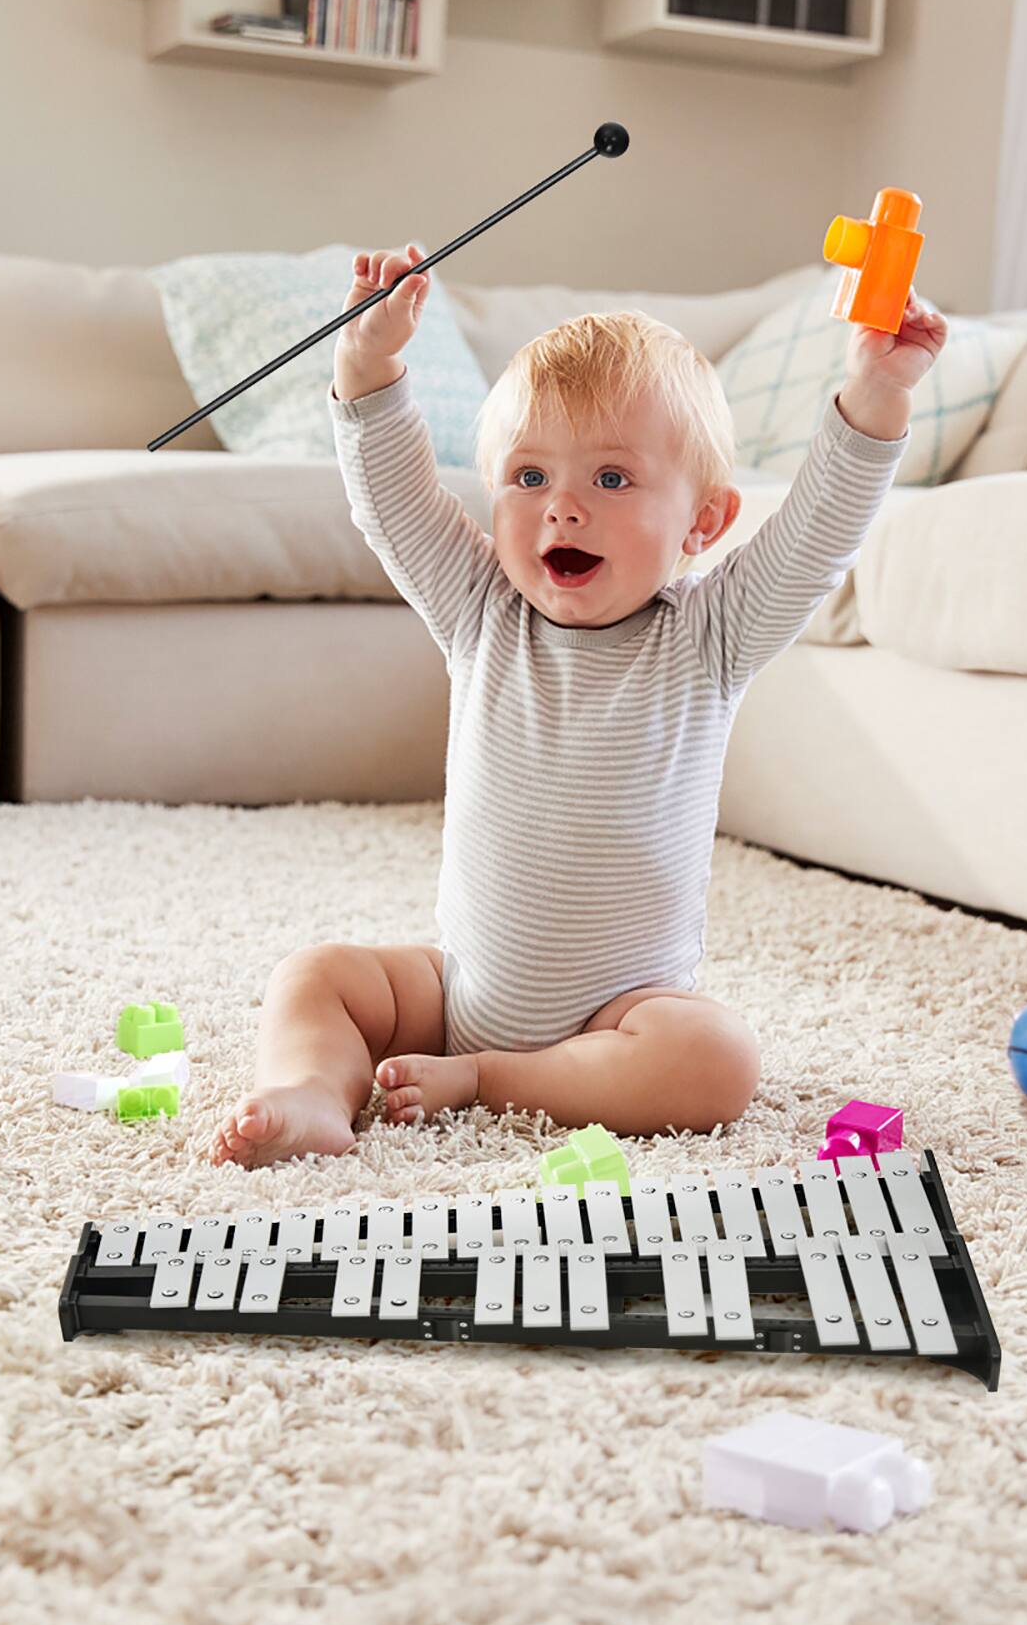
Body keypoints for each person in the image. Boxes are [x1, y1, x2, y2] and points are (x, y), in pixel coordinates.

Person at [213, 240, 945, 1168]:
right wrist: (368, 364)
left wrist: (877, 395)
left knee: (717, 1059)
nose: (562, 508)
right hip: (461, 994)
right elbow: (392, 501)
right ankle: (311, 1093)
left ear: (704, 522)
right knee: (314, 976)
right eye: (529, 477)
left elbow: (818, 533)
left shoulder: (709, 636)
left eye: (610, 479)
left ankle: (493, 1081)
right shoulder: (482, 610)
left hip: (620, 1017)